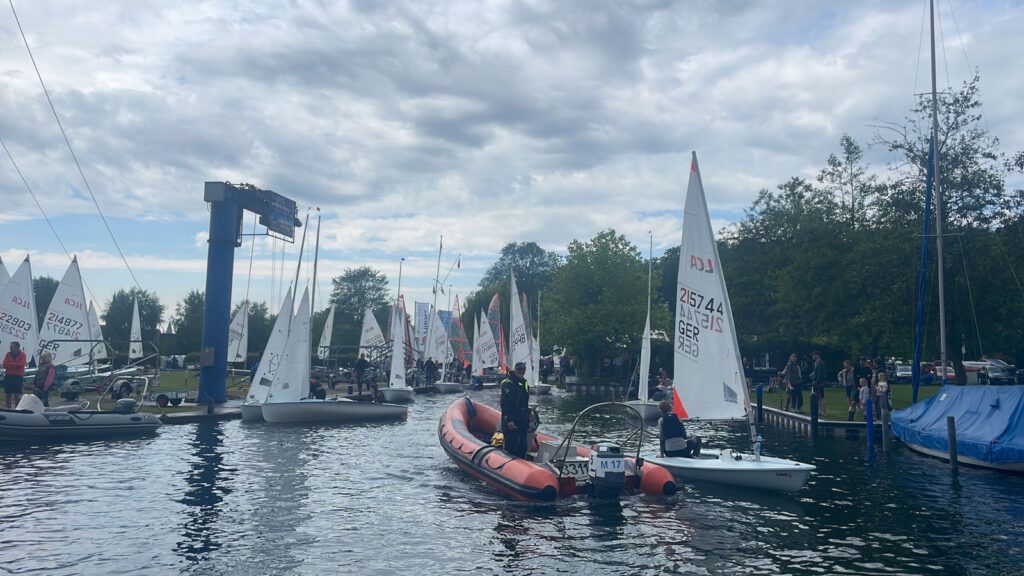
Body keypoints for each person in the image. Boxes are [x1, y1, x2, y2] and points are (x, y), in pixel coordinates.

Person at [500, 361, 530, 458]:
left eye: (523, 369)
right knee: (511, 446)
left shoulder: (524, 383)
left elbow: (524, 402)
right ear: (515, 369)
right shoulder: (509, 383)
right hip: (512, 420)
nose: (521, 371)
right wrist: (509, 420)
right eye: (519, 369)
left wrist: (529, 414)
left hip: (522, 420)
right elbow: (505, 404)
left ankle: (523, 463)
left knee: (523, 447)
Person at [3, 341, 28, 409]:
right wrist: (15, 365)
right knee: (8, 394)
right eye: (10, 346)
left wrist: (10, 364)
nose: (10, 348)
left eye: (12, 346)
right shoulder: (8, 354)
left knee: (17, 394)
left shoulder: (23, 355)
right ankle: (9, 408)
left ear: (17, 347)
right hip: (9, 376)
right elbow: (4, 364)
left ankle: (17, 408)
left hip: (18, 377)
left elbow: (21, 365)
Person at [810, 351, 827, 417]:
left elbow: (819, 374)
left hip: (818, 383)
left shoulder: (819, 363)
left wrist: (817, 382)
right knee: (818, 397)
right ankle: (820, 411)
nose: (812, 357)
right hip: (818, 382)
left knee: (821, 397)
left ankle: (823, 411)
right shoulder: (818, 363)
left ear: (817, 355)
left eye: (813, 355)